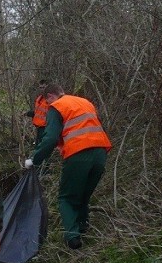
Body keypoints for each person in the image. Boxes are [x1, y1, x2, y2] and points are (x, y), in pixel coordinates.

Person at [24, 83, 112, 250]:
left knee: (66, 198)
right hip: (100, 152)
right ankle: (83, 226)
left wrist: (34, 159)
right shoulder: (84, 102)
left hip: (79, 154)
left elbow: (49, 139)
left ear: (50, 97)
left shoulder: (56, 107)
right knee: (84, 193)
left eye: (47, 101)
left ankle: (72, 237)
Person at [24, 79, 49, 146]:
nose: (42, 89)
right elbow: (38, 112)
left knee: (41, 146)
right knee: (38, 145)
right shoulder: (39, 98)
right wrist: (29, 113)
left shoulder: (50, 99)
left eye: (43, 87)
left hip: (46, 128)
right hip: (39, 127)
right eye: (40, 87)